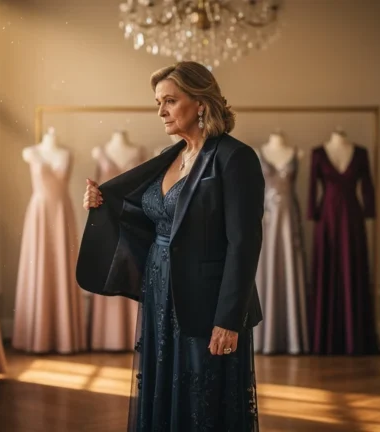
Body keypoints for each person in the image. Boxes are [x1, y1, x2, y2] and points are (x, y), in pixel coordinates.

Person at [77, 61, 264, 431]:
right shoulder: (171, 155)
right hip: (161, 296)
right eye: (158, 102)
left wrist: (228, 320)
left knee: (203, 401)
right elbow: (156, 219)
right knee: (164, 393)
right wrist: (102, 204)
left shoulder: (235, 157)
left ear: (201, 103)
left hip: (208, 303)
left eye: (170, 101)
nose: (161, 111)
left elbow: (244, 244)